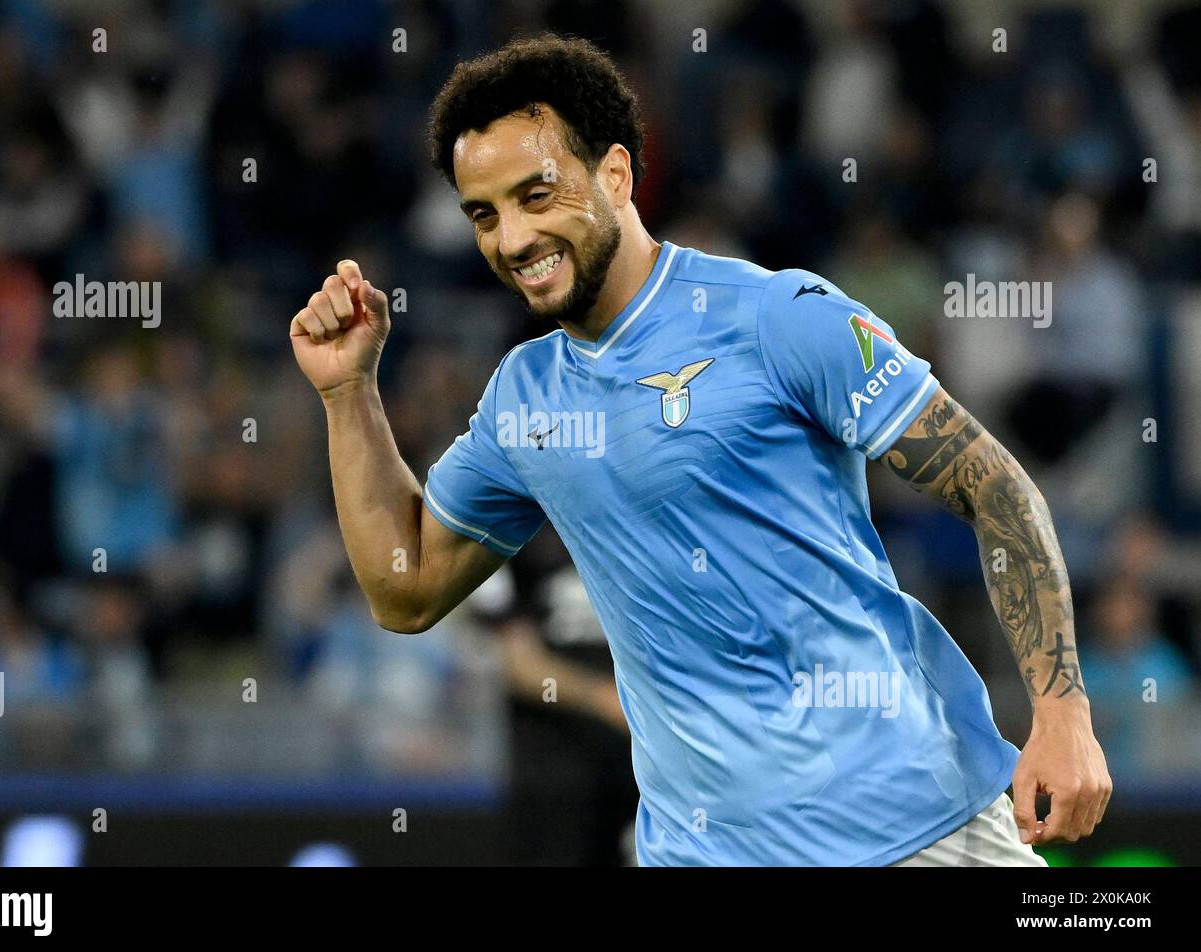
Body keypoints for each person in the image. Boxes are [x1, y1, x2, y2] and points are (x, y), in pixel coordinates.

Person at [287, 35, 1110, 866]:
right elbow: (406, 592)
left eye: (537, 195)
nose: (512, 238)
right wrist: (346, 392)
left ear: (614, 175)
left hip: (912, 827)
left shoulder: (778, 316)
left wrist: (1062, 713)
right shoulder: (523, 398)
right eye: (484, 214)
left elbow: (996, 490)